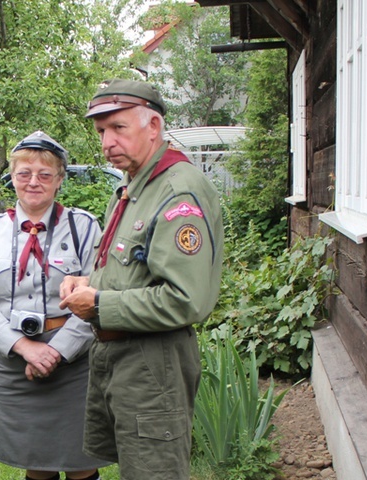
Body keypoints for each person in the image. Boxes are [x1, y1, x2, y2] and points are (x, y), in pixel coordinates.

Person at [59, 79, 224, 479]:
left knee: (155, 472)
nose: (106, 143)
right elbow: (135, 264)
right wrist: (89, 281)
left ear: (153, 127)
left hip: (154, 363)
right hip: (124, 359)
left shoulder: (177, 191)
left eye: (118, 128)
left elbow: (186, 299)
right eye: (101, 132)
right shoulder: (135, 185)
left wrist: (98, 305)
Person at [0, 131, 109, 480]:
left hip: (73, 363)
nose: (33, 182)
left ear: (59, 180)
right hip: (12, 360)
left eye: (45, 174)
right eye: (24, 173)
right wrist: (24, 348)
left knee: (80, 463)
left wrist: (56, 352)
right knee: (35, 461)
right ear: (11, 177)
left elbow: (98, 297)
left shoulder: (84, 227)